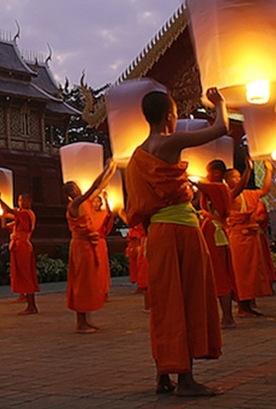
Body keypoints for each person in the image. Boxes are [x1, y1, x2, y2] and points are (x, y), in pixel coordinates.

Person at [125, 88, 229, 397]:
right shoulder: (169, 142)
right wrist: (220, 103)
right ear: (169, 115)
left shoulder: (136, 155)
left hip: (157, 233)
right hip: (181, 229)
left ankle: (163, 372)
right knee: (187, 298)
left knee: (165, 302)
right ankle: (186, 380)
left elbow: (139, 207)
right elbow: (220, 128)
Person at [64, 161, 118, 334]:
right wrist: (106, 169)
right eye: (73, 189)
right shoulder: (75, 205)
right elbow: (94, 186)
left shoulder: (85, 203)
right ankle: (80, 323)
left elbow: (98, 187)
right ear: (69, 195)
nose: (77, 189)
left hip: (88, 245)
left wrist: (111, 171)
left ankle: (86, 320)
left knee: (88, 283)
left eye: (76, 187)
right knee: (81, 283)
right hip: (81, 247)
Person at [195, 159, 244, 328]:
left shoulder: (217, 187)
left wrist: (185, 174)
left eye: (208, 172)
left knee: (220, 274)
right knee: (219, 272)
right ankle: (225, 316)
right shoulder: (220, 188)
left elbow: (198, 184)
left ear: (216, 173)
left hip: (215, 233)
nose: (207, 175)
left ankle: (228, 318)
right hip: (215, 232)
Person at [225, 158, 274, 317]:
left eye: (240, 176)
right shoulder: (228, 195)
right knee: (241, 273)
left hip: (251, 237)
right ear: (226, 180)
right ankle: (242, 306)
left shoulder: (248, 194)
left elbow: (265, 190)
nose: (238, 180)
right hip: (238, 238)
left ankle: (248, 304)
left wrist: (269, 170)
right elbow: (237, 189)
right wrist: (248, 170)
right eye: (235, 177)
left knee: (252, 272)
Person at [0, 192, 39, 315]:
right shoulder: (21, 216)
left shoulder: (26, 213)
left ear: (29, 201)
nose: (20, 203)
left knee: (26, 274)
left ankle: (32, 306)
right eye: (19, 200)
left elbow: (11, 210)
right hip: (18, 245)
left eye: (22, 200)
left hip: (23, 246)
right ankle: (25, 298)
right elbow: (5, 225)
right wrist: (3, 214)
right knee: (21, 273)